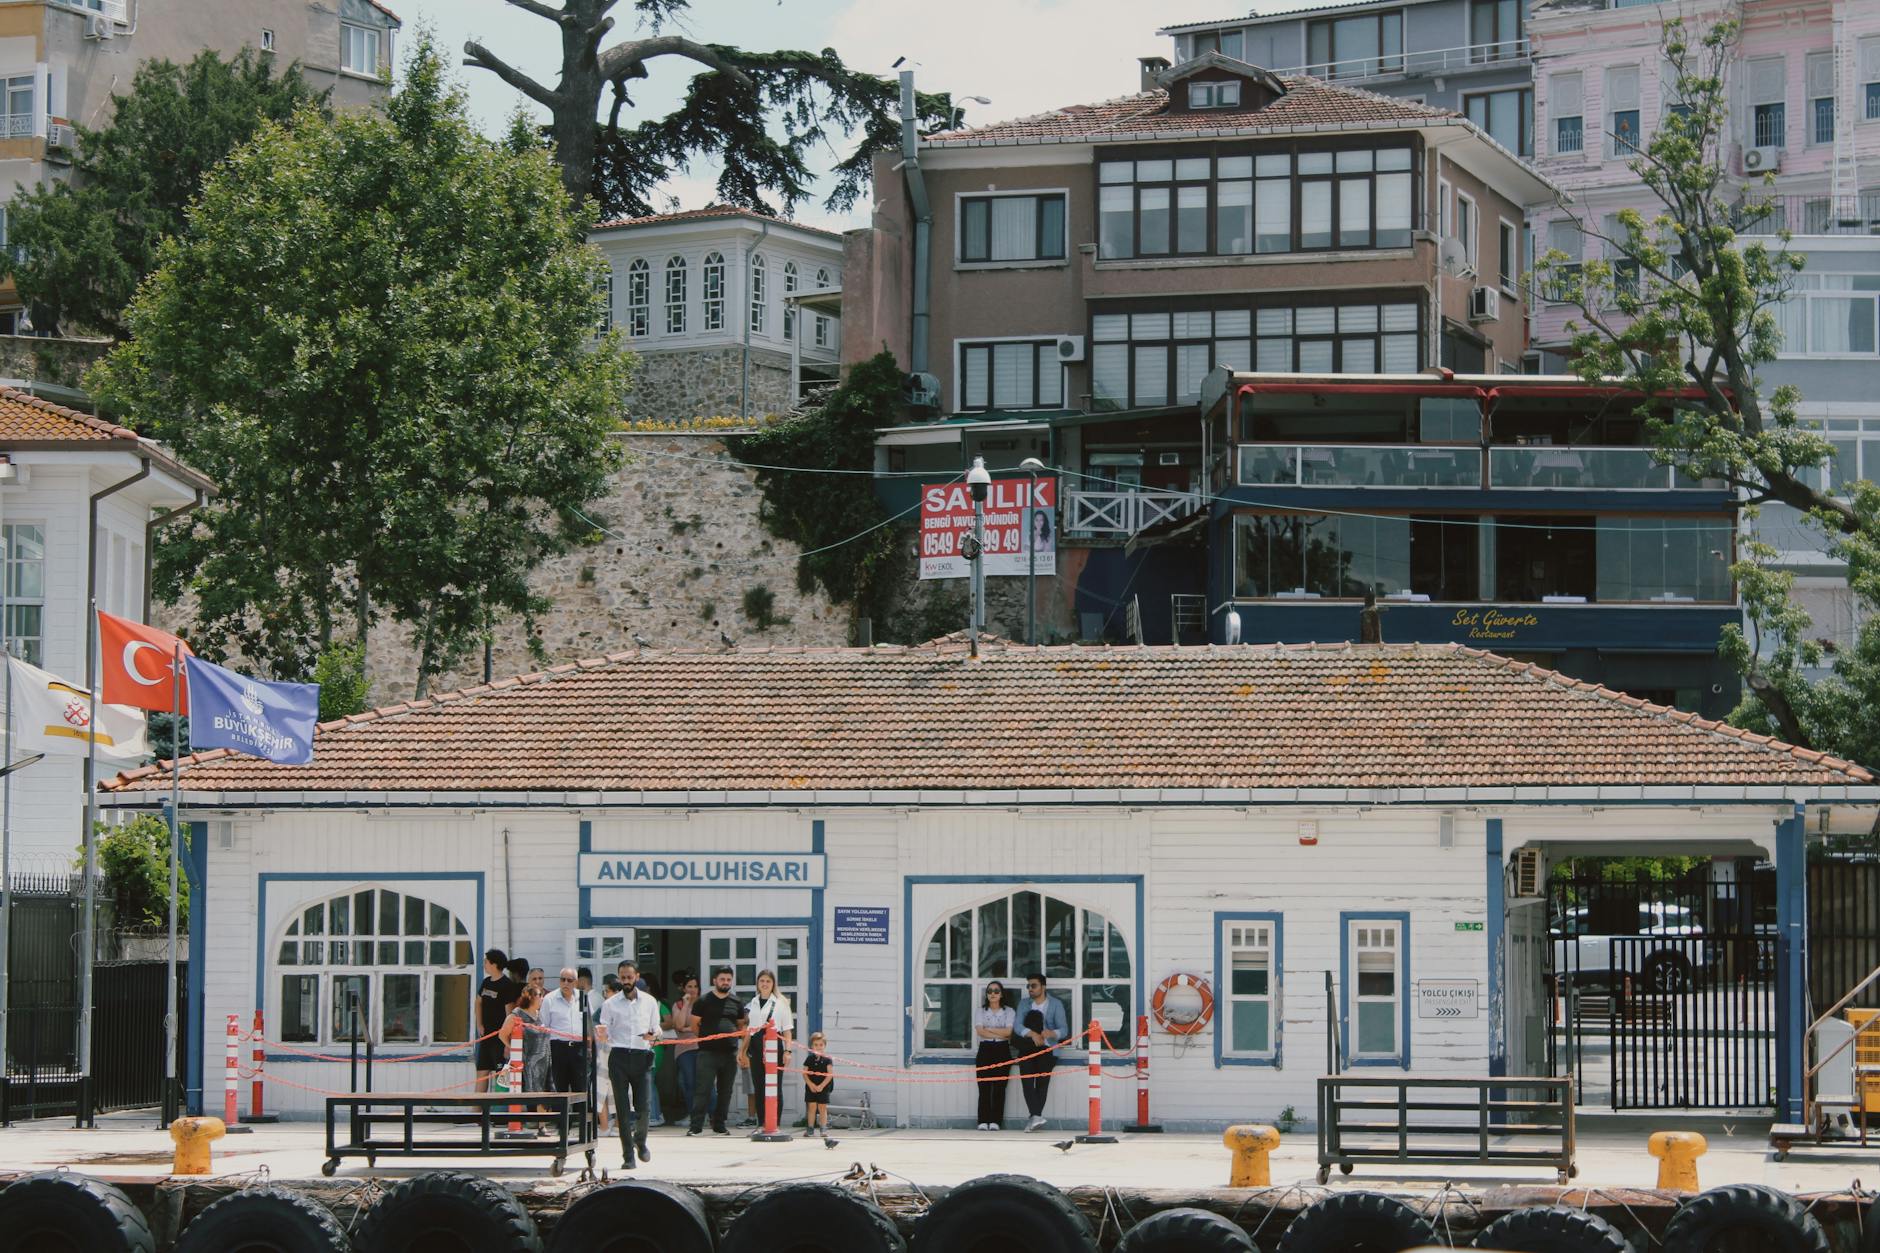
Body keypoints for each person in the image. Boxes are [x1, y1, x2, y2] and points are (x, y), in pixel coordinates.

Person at [596, 959, 660, 1168]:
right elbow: (605, 1031)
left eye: (629, 977)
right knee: (623, 1110)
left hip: (642, 1056)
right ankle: (628, 1157)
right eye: (622, 978)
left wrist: (654, 1034)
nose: (626, 981)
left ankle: (640, 1141)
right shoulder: (609, 1004)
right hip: (620, 1057)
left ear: (637, 977)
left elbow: (656, 1027)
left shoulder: (649, 1001)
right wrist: (602, 1034)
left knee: (644, 1107)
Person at [685, 965, 747, 1135]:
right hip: (707, 1053)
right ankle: (695, 1126)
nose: (725, 982)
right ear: (715, 980)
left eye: (728, 979)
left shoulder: (737, 1002)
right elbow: (695, 1025)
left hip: (729, 1053)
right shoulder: (703, 1001)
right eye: (722, 979)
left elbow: (740, 1025)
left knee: (725, 1091)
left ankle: (719, 1125)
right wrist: (708, 1039)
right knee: (702, 1089)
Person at [1016, 971, 1068, 1131]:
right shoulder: (1024, 1003)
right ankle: (1036, 1116)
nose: (1030, 989)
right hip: (1027, 1048)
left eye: (1033, 985)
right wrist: (1032, 1034)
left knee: (1042, 1084)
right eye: (1028, 986)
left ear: (1043, 987)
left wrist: (1051, 1033)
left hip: (1049, 1049)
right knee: (1026, 1082)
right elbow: (1017, 1026)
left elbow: (1064, 1029)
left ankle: (1034, 1117)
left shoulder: (1056, 1004)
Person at [742, 970, 794, 1125]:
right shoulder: (753, 1002)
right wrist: (742, 1051)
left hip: (774, 1046)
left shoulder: (781, 1003)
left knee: (775, 1087)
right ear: (758, 983)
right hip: (756, 1046)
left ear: (773, 984)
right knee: (759, 1087)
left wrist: (787, 1050)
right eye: (762, 981)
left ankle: (774, 1123)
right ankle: (762, 1123)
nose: (764, 984)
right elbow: (749, 1030)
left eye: (768, 981)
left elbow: (787, 1029)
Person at [973, 979, 1016, 1130]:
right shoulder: (980, 1011)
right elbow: (980, 1031)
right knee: (983, 1086)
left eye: (996, 991)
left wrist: (989, 1029)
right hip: (985, 1049)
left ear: (1002, 994)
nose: (993, 994)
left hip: (1002, 1049)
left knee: (999, 1087)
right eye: (990, 991)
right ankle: (983, 1121)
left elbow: (1008, 1033)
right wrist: (998, 1031)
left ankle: (996, 1121)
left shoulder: (1009, 1011)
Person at [540, 967, 590, 1094]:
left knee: (581, 1089)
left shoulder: (583, 997)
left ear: (576, 982)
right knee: (559, 1089)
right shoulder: (549, 999)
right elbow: (543, 1026)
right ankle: (559, 1115)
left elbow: (588, 1023)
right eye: (563, 980)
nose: (566, 983)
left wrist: (589, 1047)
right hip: (558, 1048)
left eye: (570, 980)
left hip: (579, 1048)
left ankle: (580, 1114)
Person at [501, 985, 552, 1108]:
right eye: (539, 995)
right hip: (526, 1061)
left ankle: (542, 1124)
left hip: (543, 1061)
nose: (542, 998)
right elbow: (502, 1034)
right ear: (530, 997)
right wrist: (515, 1050)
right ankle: (526, 1121)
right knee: (527, 1092)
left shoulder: (540, 1014)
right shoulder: (517, 1014)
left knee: (544, 1092)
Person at [476, 948, 519, 1091]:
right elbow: (478, 1002)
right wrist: (479, 1024)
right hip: (486, 1036)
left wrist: (508, 1043)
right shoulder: (486, 982)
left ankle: (498, 1111)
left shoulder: (506, 985)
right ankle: (475, 1112)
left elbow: (510, 1015)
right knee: (482, 1073)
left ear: (494, 964)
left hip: (500, 1038)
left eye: (486, 962)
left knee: (501, 1076)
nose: (484, 965)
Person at [671, 973, 701, 1119]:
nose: (693, 989)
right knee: (688, 1082)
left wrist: (688, 1029)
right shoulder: (678, 1005)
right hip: (684, 1049)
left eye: (695, 986)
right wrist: (686, 1005)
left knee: (704, 1083)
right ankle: (692, 1114)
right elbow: (678, 1025)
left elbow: (704, 1027)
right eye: (689, 986)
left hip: (702, 1047)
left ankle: (711, 1115)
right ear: (683, 988)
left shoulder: (703, 1003)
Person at [596, 973, 622, 1133]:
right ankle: (610, 1126)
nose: (605, 994)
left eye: (607, 991)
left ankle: (607, 1126)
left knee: (604, 1089)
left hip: (610, 1051)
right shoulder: (625, 1006)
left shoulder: (606, 1007)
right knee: (616, 1089)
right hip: (610, 1051)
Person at [802, 1031, 832, 1138]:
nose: (818, 1047)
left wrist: (821, 1086)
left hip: (823, 1087)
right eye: (815, 1045)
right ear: (811, 1046)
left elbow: (829, 1075)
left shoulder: (828, 1059)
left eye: (821, 1045)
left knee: (822, 1107)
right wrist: (810, 1084)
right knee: (812, 1107)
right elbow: (804, 1073)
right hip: (811, 1086)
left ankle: (823, 1128)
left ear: (824, 1046)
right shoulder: (809, 1059)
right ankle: (810, 1128)